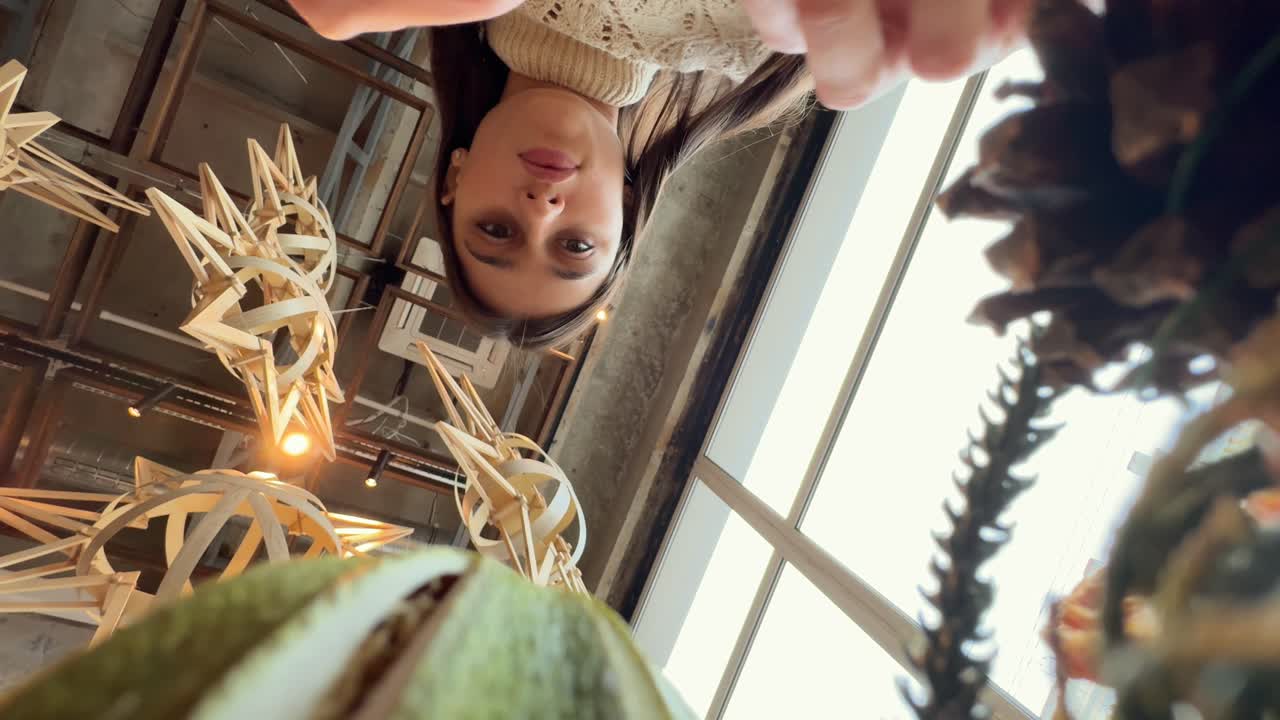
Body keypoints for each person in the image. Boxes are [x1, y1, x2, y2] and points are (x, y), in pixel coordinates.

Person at [288, 0, 1028, 348]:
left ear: (452, 178)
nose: (543, 208)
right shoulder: (766, 48)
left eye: (497, 230)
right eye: (575, 245)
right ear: (627, 208)